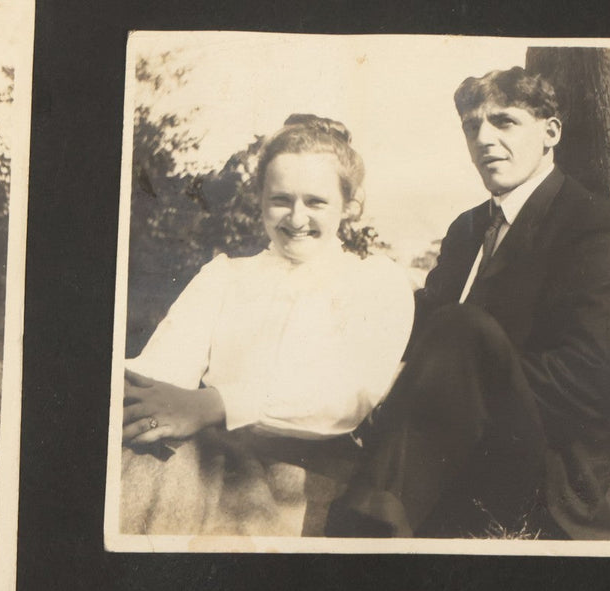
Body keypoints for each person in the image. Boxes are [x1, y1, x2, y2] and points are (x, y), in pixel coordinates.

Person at [325, 67, 610, 540]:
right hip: (457, 454)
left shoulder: (592, 224)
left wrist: (459, 383)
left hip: (550, 476)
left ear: (550, 131)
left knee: (461, 328)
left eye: (504, 122)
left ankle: (366, 527)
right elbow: (417, 329)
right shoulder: (468, 229)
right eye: (472, 127)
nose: (484, 139)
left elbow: (592, 379)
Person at [120, 115, 415, 538]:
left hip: (308, 475)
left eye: (315, 202)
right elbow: (164, 370)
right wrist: (138, 396)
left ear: (349, 205)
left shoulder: (373, 279)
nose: (296, 218)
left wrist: (215, 404)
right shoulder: (225, 276)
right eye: (281, 200)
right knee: (148, 462)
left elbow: (348, 396)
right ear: (259, 198)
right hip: (209, 450)